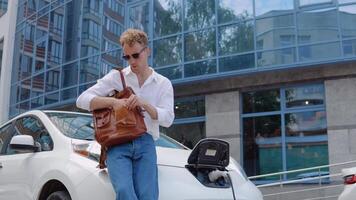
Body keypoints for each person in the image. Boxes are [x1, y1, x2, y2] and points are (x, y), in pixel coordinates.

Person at [76, 28, 175, 200]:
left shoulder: (162, 83)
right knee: (124, 191)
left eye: (136, 55)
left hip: (146, 142)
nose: (132, 61)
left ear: (147, 51)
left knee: (148, 195)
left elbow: (168, 119)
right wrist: (114, 102)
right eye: (126, 57)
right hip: (118, 142)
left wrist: (144, 103)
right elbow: (82, 100)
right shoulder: (117, 77)